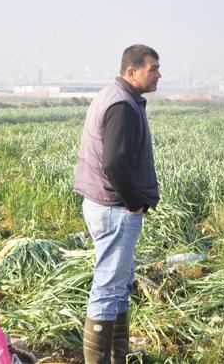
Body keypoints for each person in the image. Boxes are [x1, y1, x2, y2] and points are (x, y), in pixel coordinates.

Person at [73, 44, 161, 364]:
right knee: (108, 288)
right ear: (131, 72)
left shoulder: (115, 96)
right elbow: (114, 164)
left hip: (107, 205)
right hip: (114, 208)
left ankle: (116, 357)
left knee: (119, 285)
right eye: (153, 69)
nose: (159, 74)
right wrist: (134, 203)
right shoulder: (122, 105)